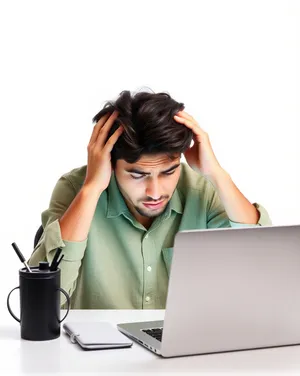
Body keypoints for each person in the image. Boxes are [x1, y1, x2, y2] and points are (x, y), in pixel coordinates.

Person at [28, 89, 272, 309]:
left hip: (185, 351)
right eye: (137, 175)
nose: (155, 192)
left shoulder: (201, 190)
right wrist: (92, 189)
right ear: (109, 163)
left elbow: (262, 262)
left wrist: (216, 174)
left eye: (168, 172)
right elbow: (44, 302)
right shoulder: (75, 190)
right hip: (96, 354)